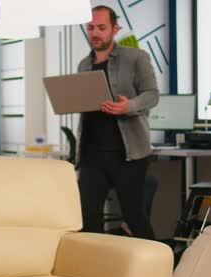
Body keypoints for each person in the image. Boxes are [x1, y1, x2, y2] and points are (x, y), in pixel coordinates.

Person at [76, 5, 159, 240]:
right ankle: (97, 272)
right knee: (88, 218)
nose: (95, 33)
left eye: (102, 27)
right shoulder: (83, 65)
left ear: (115, 28)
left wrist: (128, 106)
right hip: (91, 155)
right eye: (91, 28)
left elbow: (152, 95)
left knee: (135, 217)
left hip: (128, 155)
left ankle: (159, 271)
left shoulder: (136, 58)